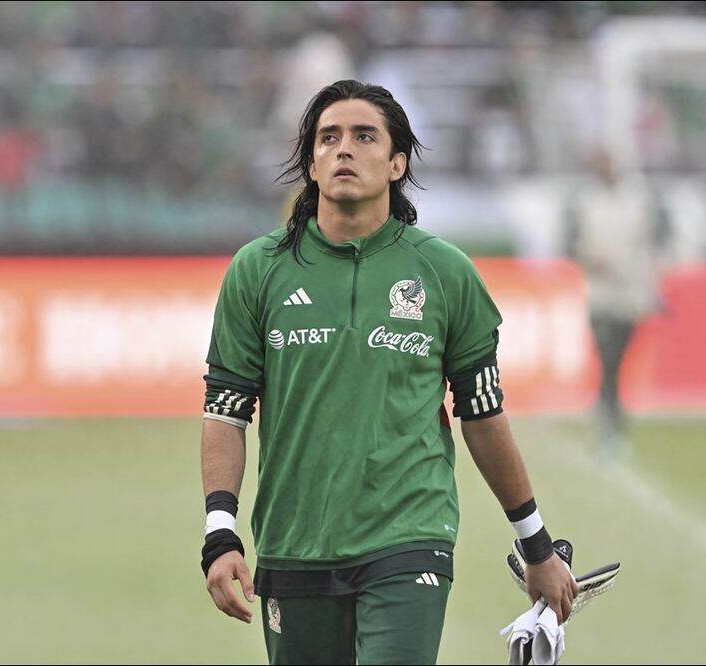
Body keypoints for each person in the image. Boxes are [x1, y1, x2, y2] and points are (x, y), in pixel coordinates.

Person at [199, 80, 577, 665]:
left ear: (397, 162)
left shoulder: (445, 273)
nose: (344, 149)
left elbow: (483, 416)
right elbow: (226, 409)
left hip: (409, 542)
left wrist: (537, 546)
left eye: (364, 136)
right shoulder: (258, 271)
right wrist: (219, 534)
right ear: (312, 163)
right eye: (329, 138)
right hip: (294, 544)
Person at [564, 148, 662, 460]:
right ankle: (609, 424)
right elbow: (569, 242)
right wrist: (590, 259)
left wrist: (650, 281)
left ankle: (610, 422)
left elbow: (655, 238)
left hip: (630, 294)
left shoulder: (638, 198)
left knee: (617, 361)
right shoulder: (584, 200)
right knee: (607, 359)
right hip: (600, 293)